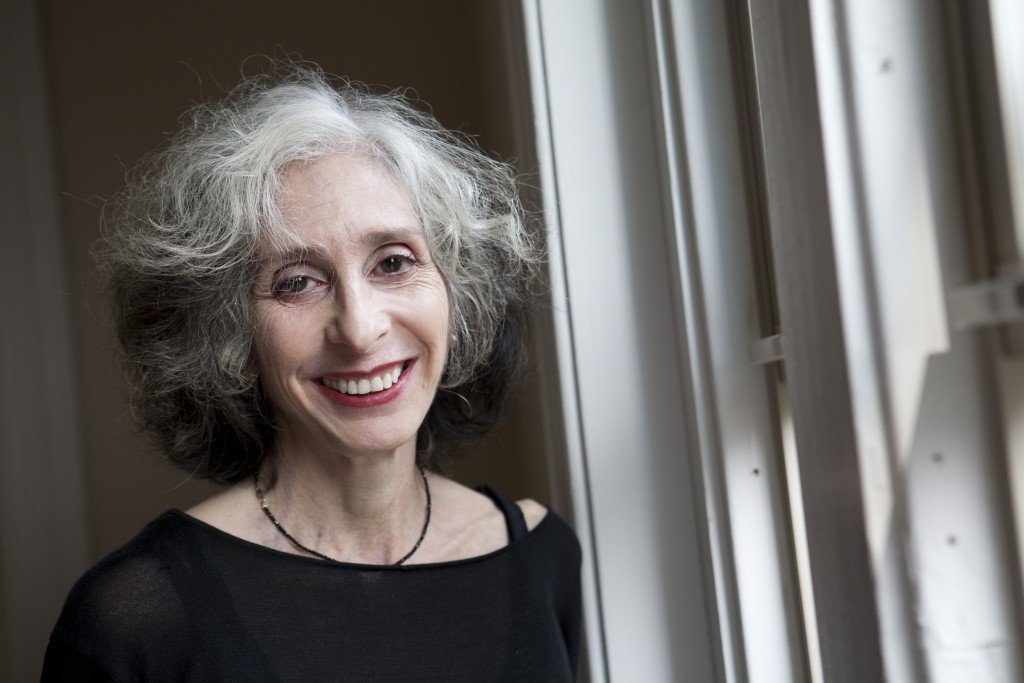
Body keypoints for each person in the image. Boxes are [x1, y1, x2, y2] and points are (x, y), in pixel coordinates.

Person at [42, 62, 581, 682]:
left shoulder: (541, 556)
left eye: (394, 263)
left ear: (459, 292)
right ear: (229, 334)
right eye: (297, 282)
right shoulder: (138, 619)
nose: (359, 328)